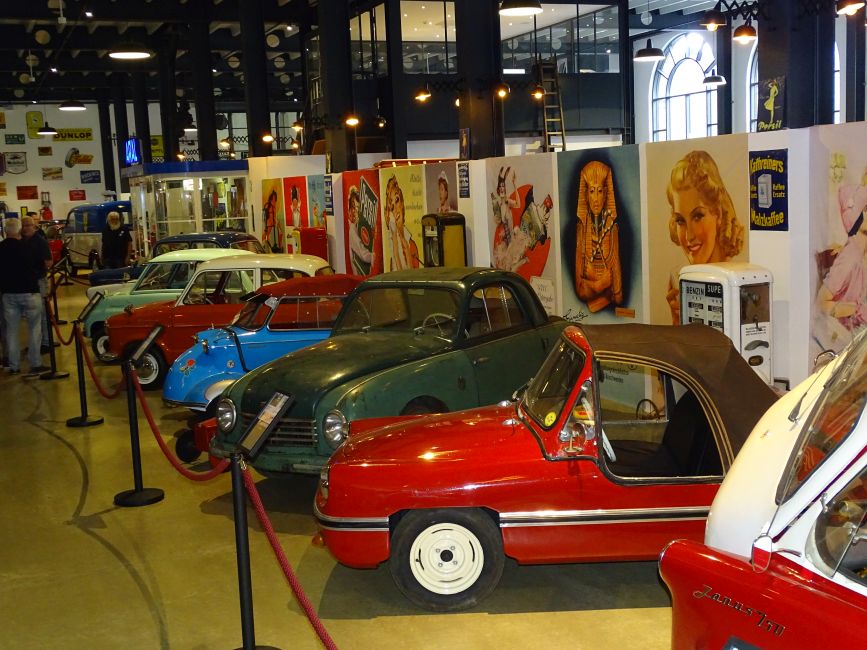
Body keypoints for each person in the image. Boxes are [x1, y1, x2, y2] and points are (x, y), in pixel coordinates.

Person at [665, 150, 744, 324]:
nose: (689, 236)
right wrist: (678, 322)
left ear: (718, 214)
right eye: (680, 220)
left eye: (698, 216)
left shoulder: (739, 279)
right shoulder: (678, 279)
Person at [814, 183, 867, 350]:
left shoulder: (860, 253)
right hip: (849, 341)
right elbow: (821, 302)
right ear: (854, 216)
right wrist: (853, 309)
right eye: (866, 209)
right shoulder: (850, 258)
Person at [0, 218, 48, 374]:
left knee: (11, 331)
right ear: (19, 230)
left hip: (8, 294)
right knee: (34, 328)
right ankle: (35, 363)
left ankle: (14, 365)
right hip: (29, 291)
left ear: (5, 231)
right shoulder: (27, 247)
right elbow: (40, 266)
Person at [575, 161, 623, 313]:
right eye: (591, 191)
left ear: (606, 193)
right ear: (585, 195)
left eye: (600, 191)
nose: (596, 199)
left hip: (609, 306)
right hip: (591, 306)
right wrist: (600, 284)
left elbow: (618, 294)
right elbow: (580, 289)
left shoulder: (612, 229)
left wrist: (594, 282)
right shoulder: (581, 230)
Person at [22, 214, 52, 352]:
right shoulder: (21, 241)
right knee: (32, 315)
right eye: (24, 226)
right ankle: (36, 343)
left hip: (39, 280)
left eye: (28, 225)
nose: (26, 228)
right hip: (27, 282)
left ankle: (46, 342)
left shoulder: (40, 242)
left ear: (34, 226)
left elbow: (48, 262)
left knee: (42, 313)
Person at [385, 175, 420, 270]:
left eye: (397, 200)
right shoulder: (394, 244)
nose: (396, 209)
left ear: (402, 203)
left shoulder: (411, 245)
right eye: (392, 206)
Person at [346, 185, 372, 276]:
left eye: (357, 208)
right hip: (359, 277)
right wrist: (374, 256)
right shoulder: (352, 229)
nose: (354, 211)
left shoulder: (356, 227)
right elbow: (364, 255)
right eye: (352, 207)